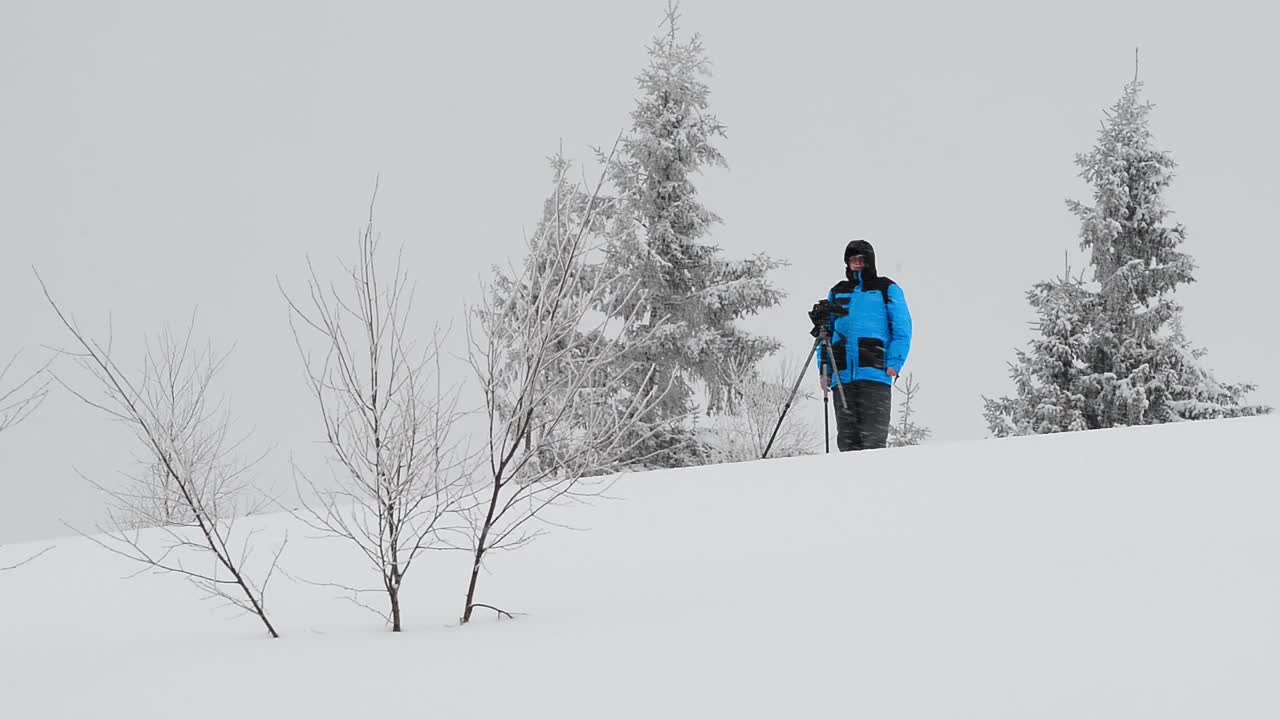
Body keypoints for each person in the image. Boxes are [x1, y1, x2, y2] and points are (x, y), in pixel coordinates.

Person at [810, 239, 913, 451]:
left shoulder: (886, 288)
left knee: (873, 441)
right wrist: (824, 370)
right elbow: (826, 334)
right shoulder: (837, 291)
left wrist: (894, 362)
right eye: (852, 259)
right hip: (842, 375)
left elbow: (903, 328)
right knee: (847, 442)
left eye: (861, 259)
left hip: (874, 372)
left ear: (870, 261)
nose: (857, 263)